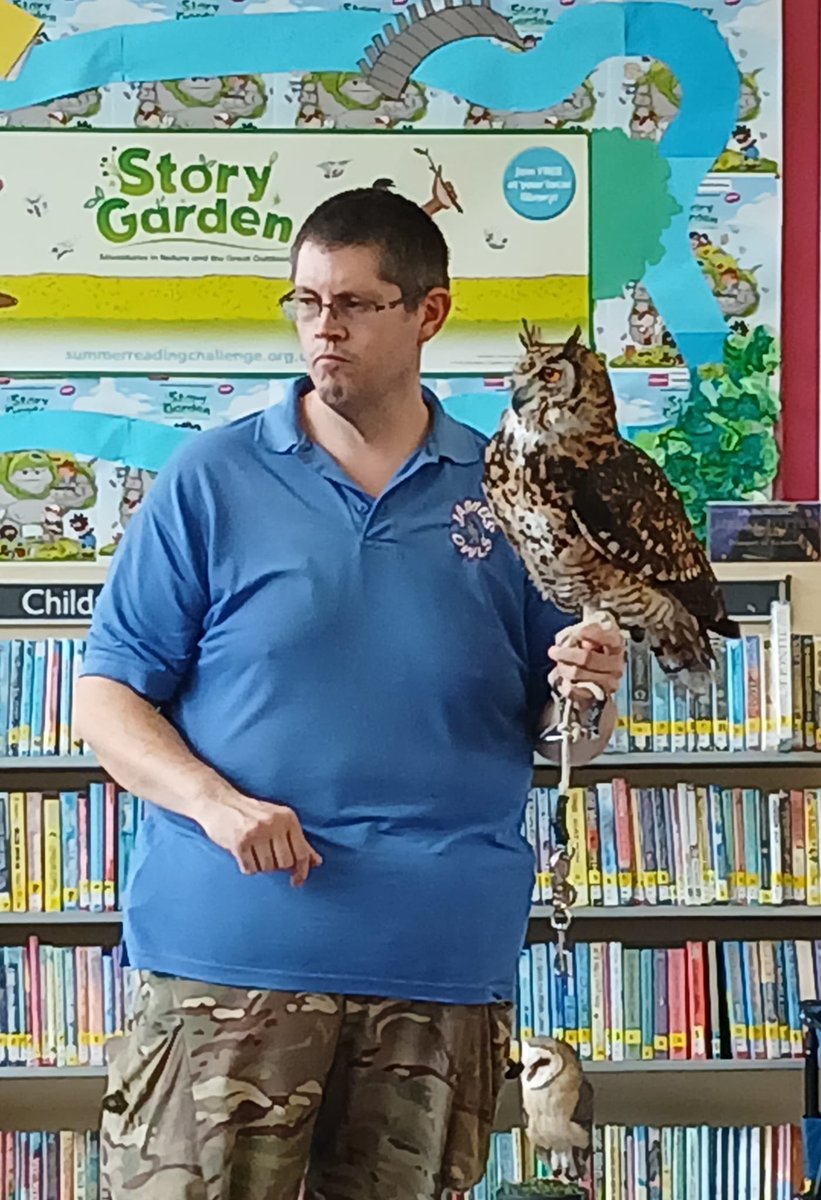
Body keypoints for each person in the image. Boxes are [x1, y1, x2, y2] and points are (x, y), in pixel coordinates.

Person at [76, 187, 625, 1200]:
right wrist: (212, 802)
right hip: (228, 959)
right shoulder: (209, 480)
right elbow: (107, 694)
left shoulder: (514, 490)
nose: (322, 328)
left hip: (437, 966)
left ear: (428, 314)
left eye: (354, 304)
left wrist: (589, 692)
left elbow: (566, 735)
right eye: (305, 301)